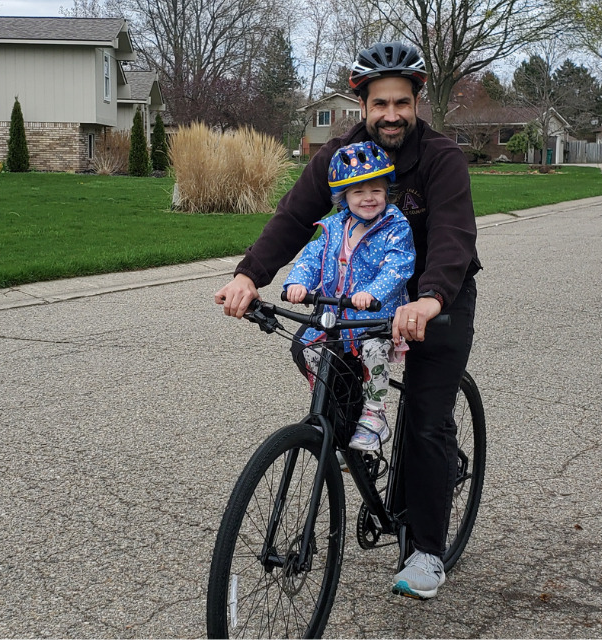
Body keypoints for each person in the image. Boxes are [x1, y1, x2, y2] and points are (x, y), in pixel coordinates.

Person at [215, 41, 481, 600]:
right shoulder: (340, 156)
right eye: (380, 103)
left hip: (436, 299)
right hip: (359, 305)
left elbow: (454, 237)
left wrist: (429, 299)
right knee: (318, 356)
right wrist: (249, 275)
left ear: (417, 102)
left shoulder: (441, 159)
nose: (391, 115)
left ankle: (427, 550)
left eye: (402, 103)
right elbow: (294, 219)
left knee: (427, 418)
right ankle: (356, 430)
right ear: (362, 104)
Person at [284, 140, 415, 451]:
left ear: (387, 192)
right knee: (305, 346)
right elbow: (312, 257)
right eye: (358, 192)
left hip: (375, 315)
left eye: (376, 190)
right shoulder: (334, 226)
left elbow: (398, 266)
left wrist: (372, 293)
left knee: (373, 350)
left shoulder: (395, 226)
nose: (368, 198)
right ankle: (333, 397)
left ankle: (374, 415)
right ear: (343, 198)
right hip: (337, 314)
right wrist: (297, 283)